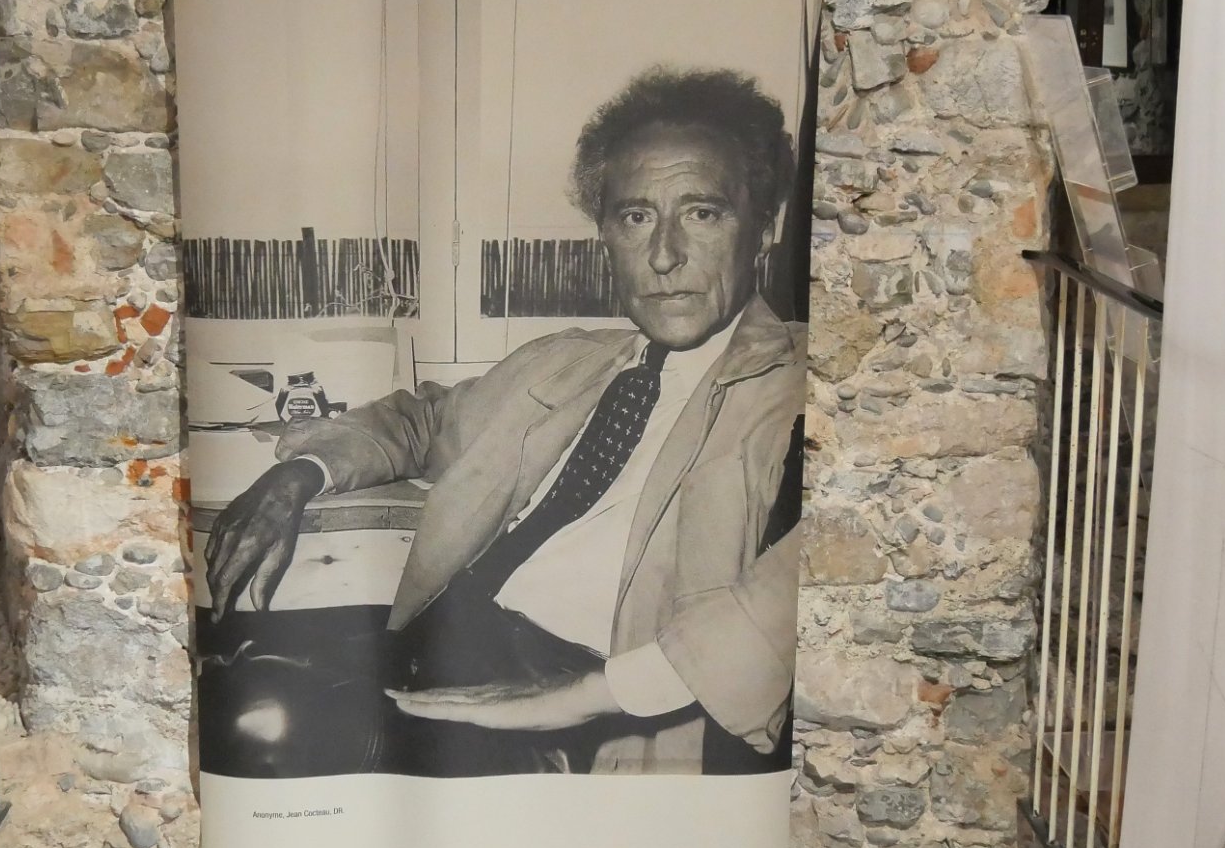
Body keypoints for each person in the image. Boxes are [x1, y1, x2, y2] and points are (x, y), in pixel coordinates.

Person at [204, 66, 806, 774]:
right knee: (232, 693)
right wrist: (299, 475)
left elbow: (786, 598)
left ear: (763, 229)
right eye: (636, 217)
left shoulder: (803, 384)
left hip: (582, 711)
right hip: (442, 639)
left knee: (263, 730)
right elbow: (423, 420)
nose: (665, 254)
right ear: (606, 237)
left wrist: (579, 698)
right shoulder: (570, 362)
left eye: (702, 214)